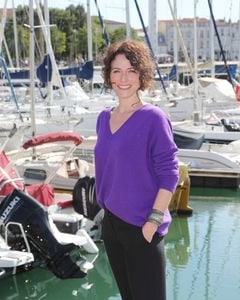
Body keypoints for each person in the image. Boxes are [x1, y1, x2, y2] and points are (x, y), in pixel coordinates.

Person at [94, 39, 179, 300]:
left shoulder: (153, 118)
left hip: (142, 226)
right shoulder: (103, 118)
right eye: (116, 71)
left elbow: (169, 174)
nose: (123, 78)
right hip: (112, 226)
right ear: (109, 75)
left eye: (131, 70)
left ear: (142, 75)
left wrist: (152, 223)